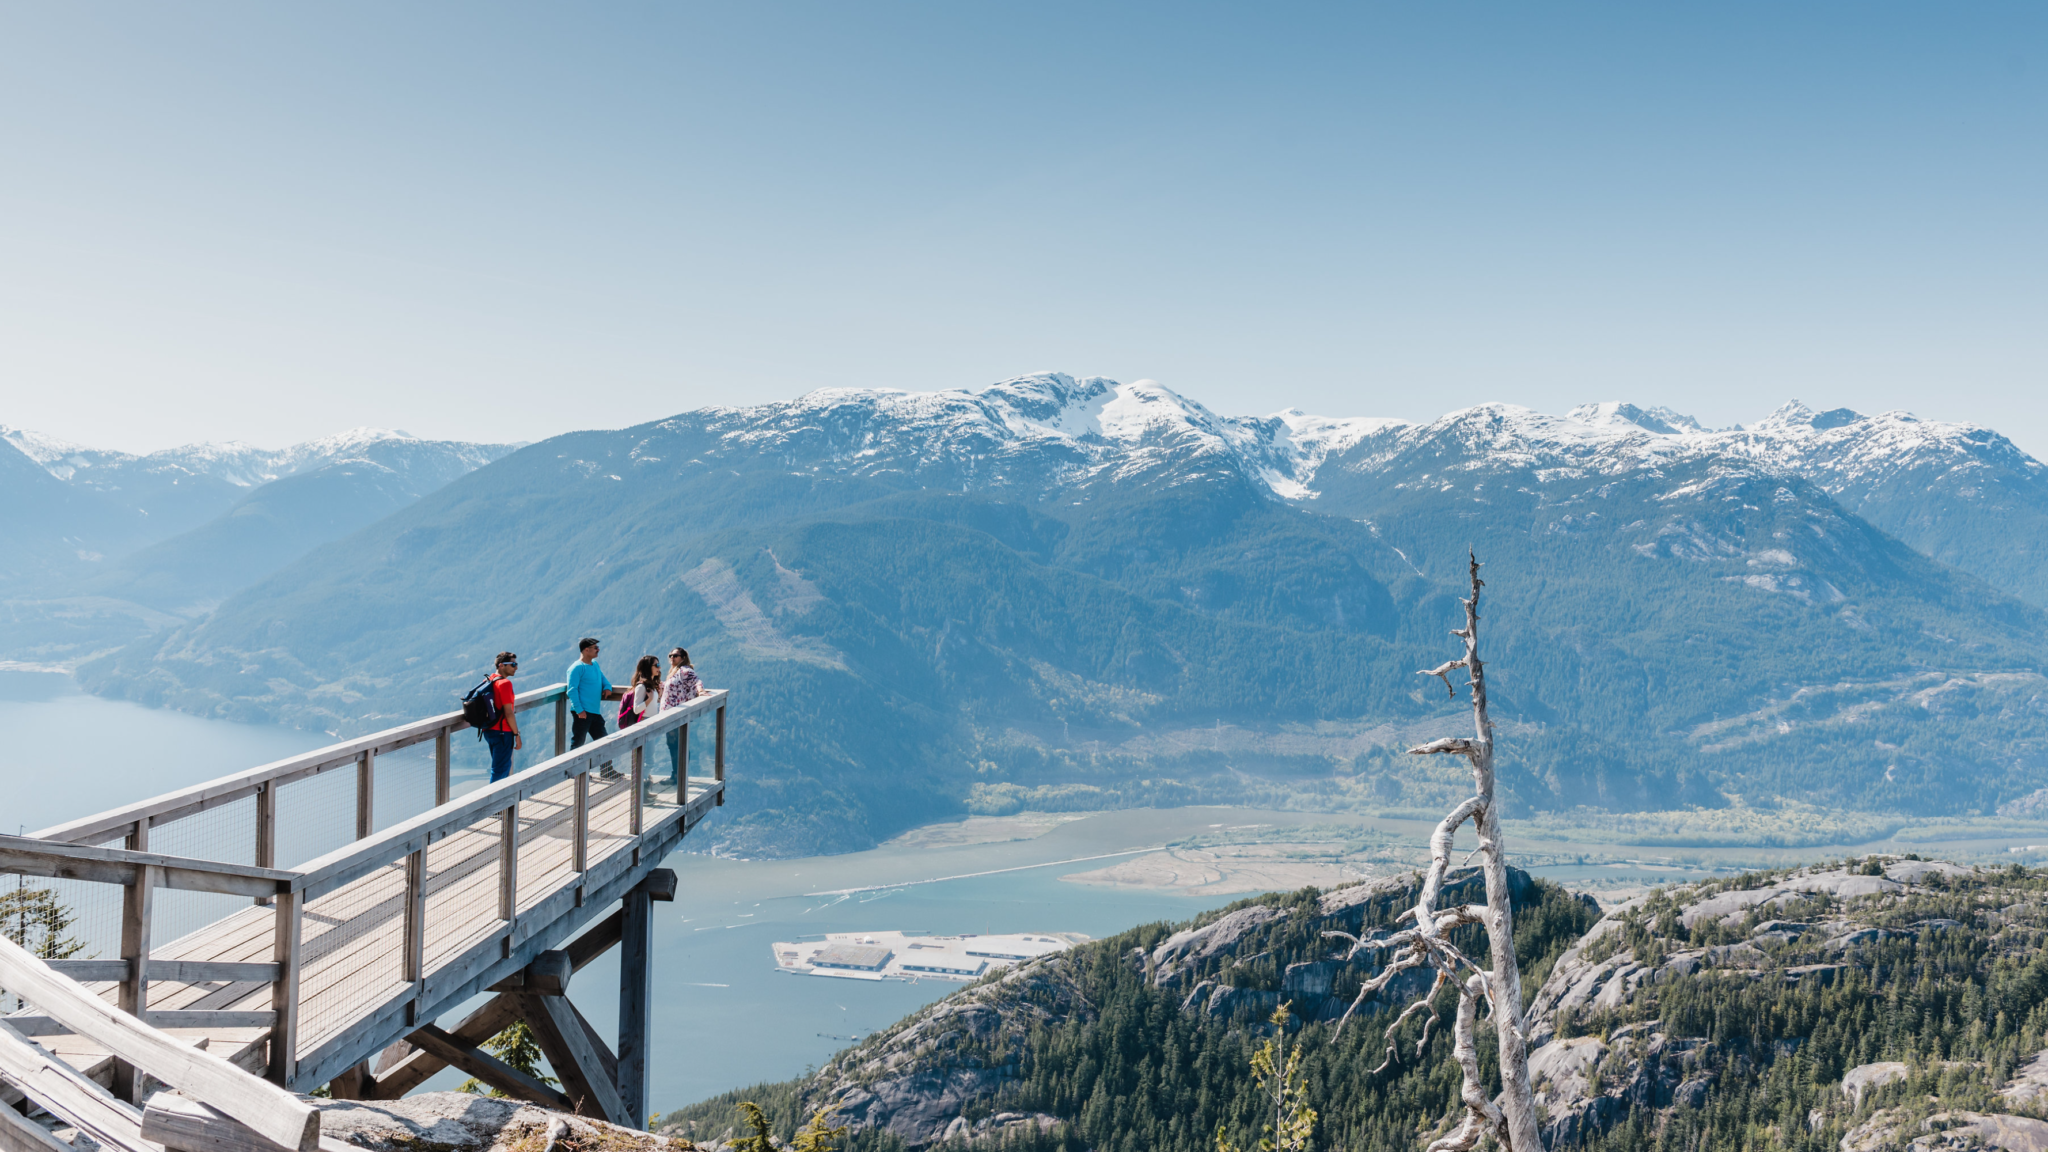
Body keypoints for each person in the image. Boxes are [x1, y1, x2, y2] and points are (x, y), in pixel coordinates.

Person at [566, 638, 623, 749]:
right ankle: (573, 767)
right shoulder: (576, 668)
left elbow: (602, 679)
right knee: (578, 743)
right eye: (595, 648)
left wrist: (607, 687)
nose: (598, 649)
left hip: (594, 712)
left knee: (604, 743)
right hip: (582, 713)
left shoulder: (595, 665)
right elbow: (572, 690)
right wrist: (579, 710)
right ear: (586, 650)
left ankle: (608, 767)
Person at [660, 647, 703, 781]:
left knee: (677, 745)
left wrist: (701, 691)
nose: (672, 658)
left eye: (675, 655)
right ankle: (678, 775)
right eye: (670, 655)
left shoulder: (685, 670)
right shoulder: (675, 672)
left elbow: (697, 681)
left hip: (677, 714)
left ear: (683, 658)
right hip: (671, 715)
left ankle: (678, 776)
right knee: (674, 745)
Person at [484, 652, 522, 782]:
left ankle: (498, 800)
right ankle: (491, 801)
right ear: (501, 665)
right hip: (502, 732)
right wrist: (516, 735)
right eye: (513, 664)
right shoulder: (505, 684)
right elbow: (508, 712)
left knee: (498, 768)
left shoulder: (489, 680)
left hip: (489, 730)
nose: (516, 667)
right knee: (500, 771)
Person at [619, 655, 661, 729]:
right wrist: (649, 700)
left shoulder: (651, 686)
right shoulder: (641, 687)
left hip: (652, 721)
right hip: (645, 722)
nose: (659, 667)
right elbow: (636, 709)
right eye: (656, 665)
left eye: (659, 665)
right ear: (648, 667)